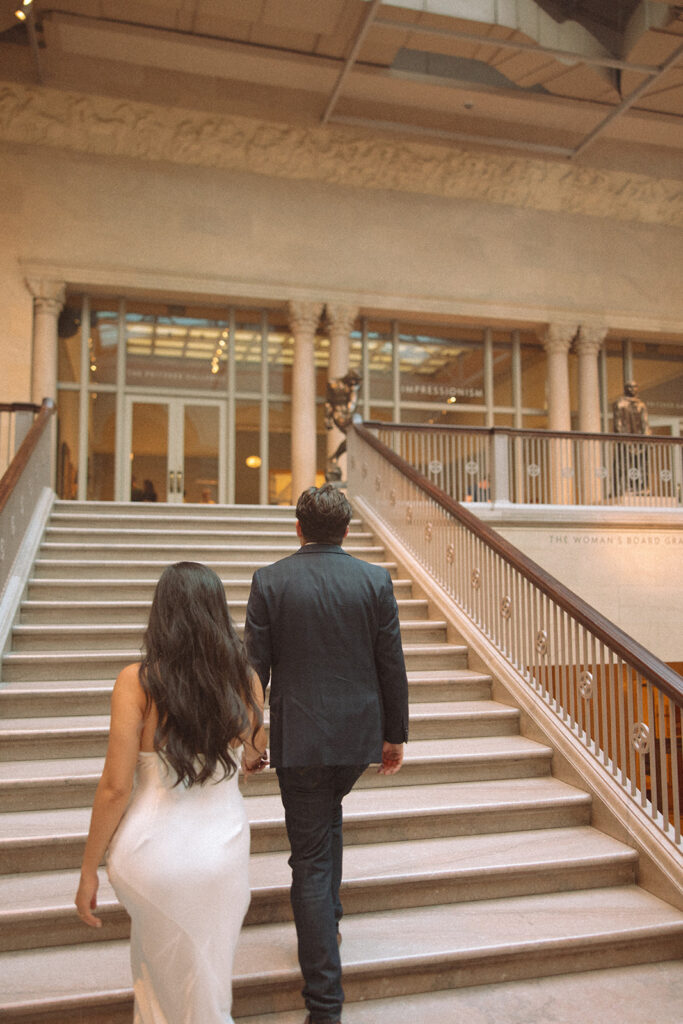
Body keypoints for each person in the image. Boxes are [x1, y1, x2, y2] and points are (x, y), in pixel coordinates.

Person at [75, 561, 268, 1024]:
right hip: (221, 850)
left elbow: (116, 787)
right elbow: (253, 757)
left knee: (155, 968)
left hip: (149, 854)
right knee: (207, 980)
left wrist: (88, 870)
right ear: (218, 614)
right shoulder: (245, 680)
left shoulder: (136, 681)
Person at [244, 484, 409, 1024]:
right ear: (345, 530)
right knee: (326, 822)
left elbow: (254, 671)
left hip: (304, 741)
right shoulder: (373, 580)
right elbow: (391, 663)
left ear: (298, 528)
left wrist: (252, 733)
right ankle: (330, 920)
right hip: (356, 738)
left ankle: (324, 1005)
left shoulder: (270, 580)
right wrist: (394, 734)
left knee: (309, 859)